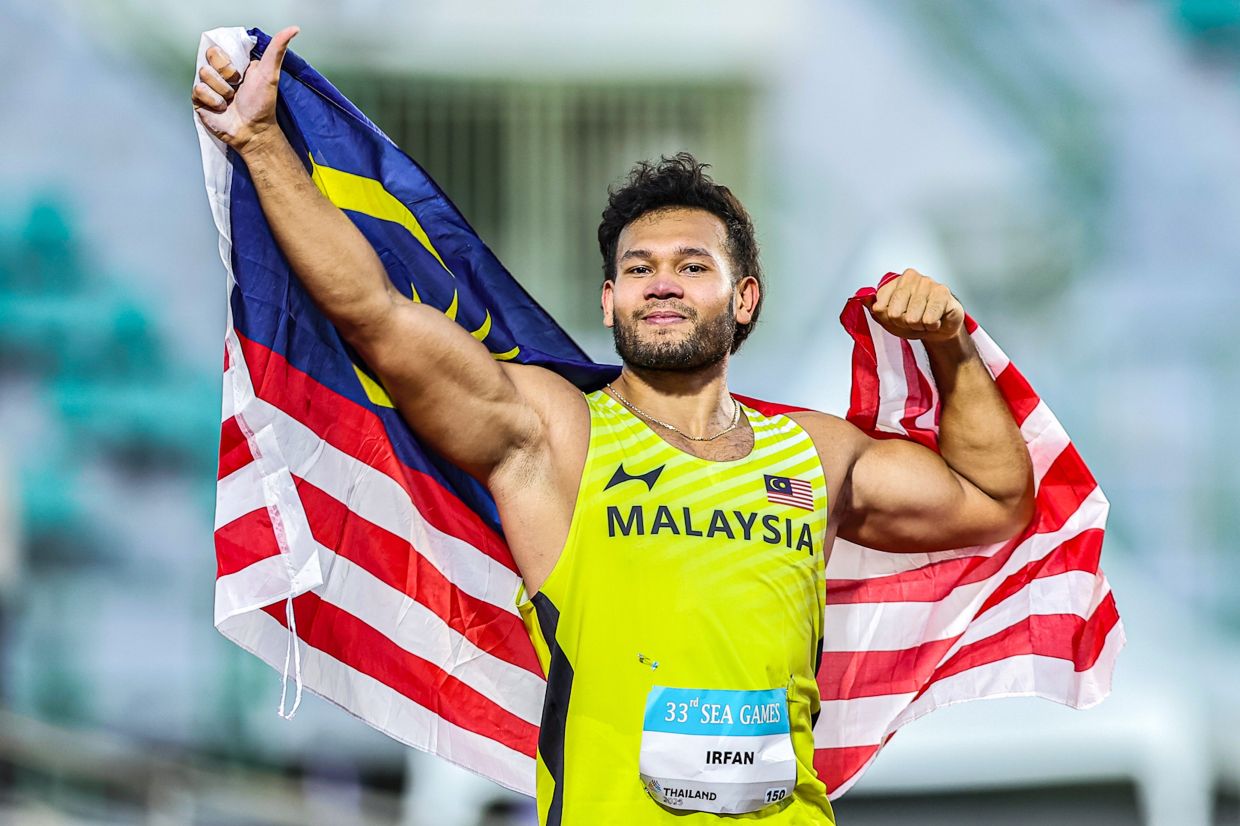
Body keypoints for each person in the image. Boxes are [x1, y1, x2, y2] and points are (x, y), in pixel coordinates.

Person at [192, 27, 1035, 826]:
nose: (662, 284)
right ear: (609, 300)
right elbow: (374, 315)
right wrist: (261, 142)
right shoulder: (551, 436)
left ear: (744, 300)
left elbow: (994, 500)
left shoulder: (815, 455)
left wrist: (951, 347)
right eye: (639, 268)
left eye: (692, 266)